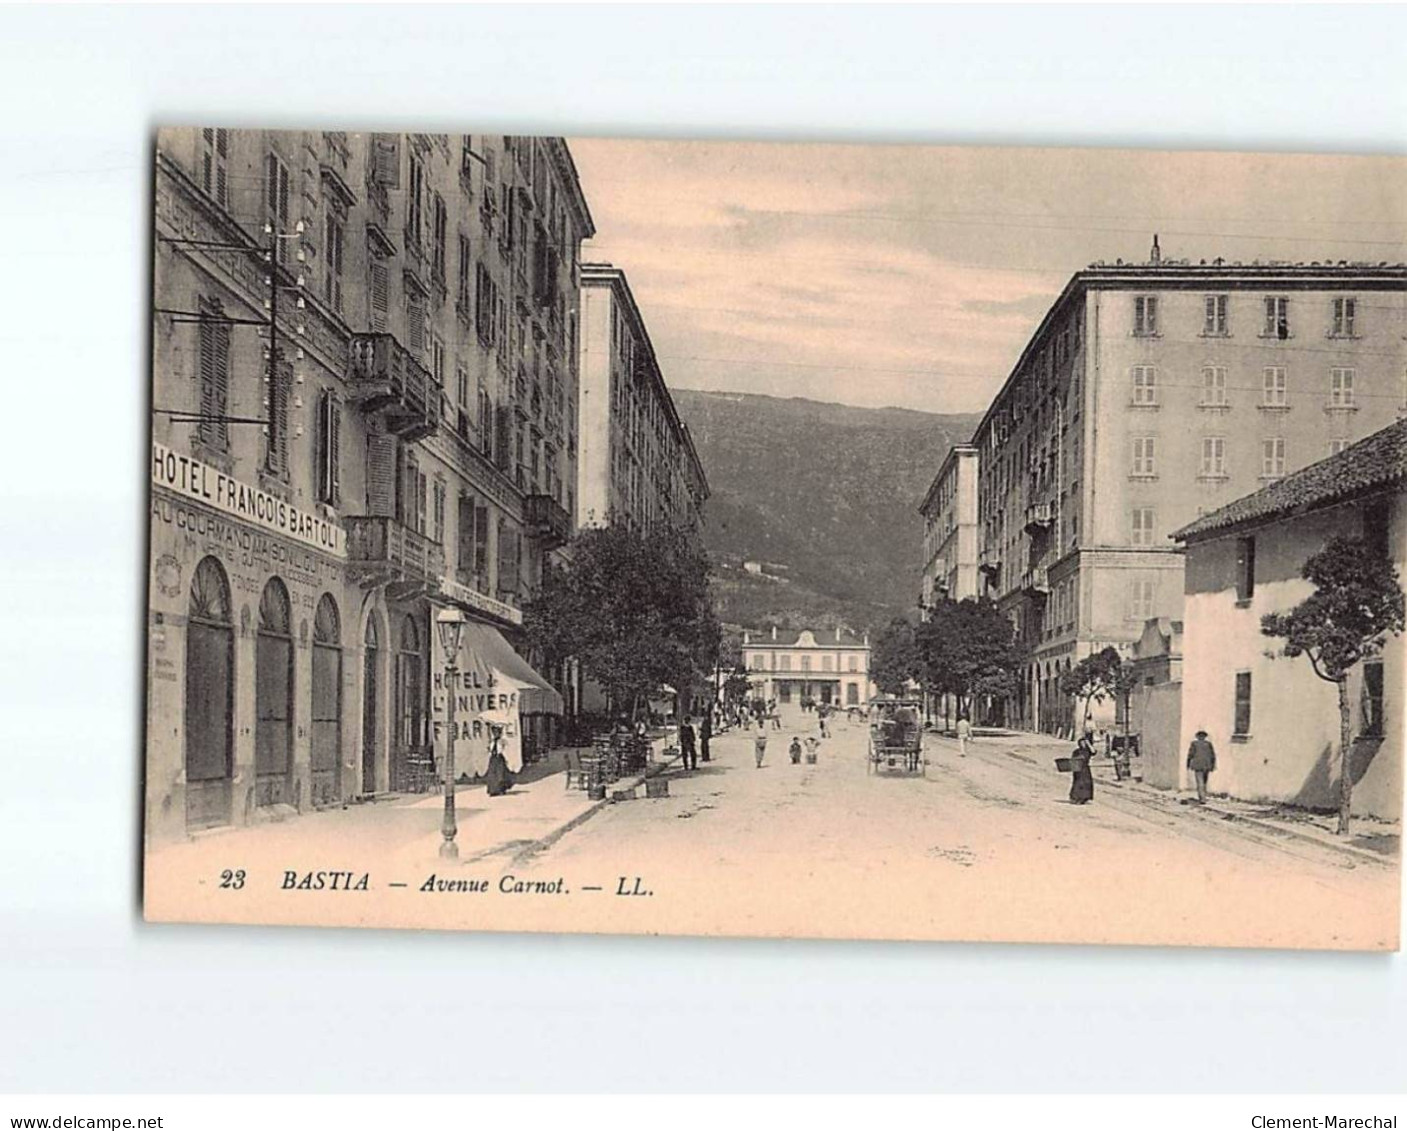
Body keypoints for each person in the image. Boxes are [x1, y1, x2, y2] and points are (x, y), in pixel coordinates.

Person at [484, 725, 516, 797]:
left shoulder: (502, 741)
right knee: (492, 774)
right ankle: (493, 790)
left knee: (500, 774)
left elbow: (505, 749)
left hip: (499, 758)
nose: (495, 734)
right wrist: (489, 749)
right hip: (493, 758)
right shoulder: (492, 741)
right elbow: (490, 749)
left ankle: (501, 789)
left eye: (497, 732)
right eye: (494, 733)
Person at [1187, 729, 1217, 803]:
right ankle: (1203, 796)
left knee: (1200, 782)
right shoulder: (1208, 744)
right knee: (1204, 782)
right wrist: (1213, 765)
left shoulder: (1194, 743)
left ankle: (1202, 798)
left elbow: (1190, 754)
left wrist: (1188, 764)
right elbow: (1213, 755)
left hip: (1198, 765)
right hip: (1207, 765)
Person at [1068, 729, 1095, 805]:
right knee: (1078, 783)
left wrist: (1088, 744)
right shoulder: (1076, 751)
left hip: (1086, 769)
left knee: (1086, 783)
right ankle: (1076, 798)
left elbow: (1093, 752)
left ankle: (1085, 798)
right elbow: (1072, 760)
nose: (1083, 744)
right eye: (1081, 743)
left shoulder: (1087, 751)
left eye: (1084, 743)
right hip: (1078, 769)